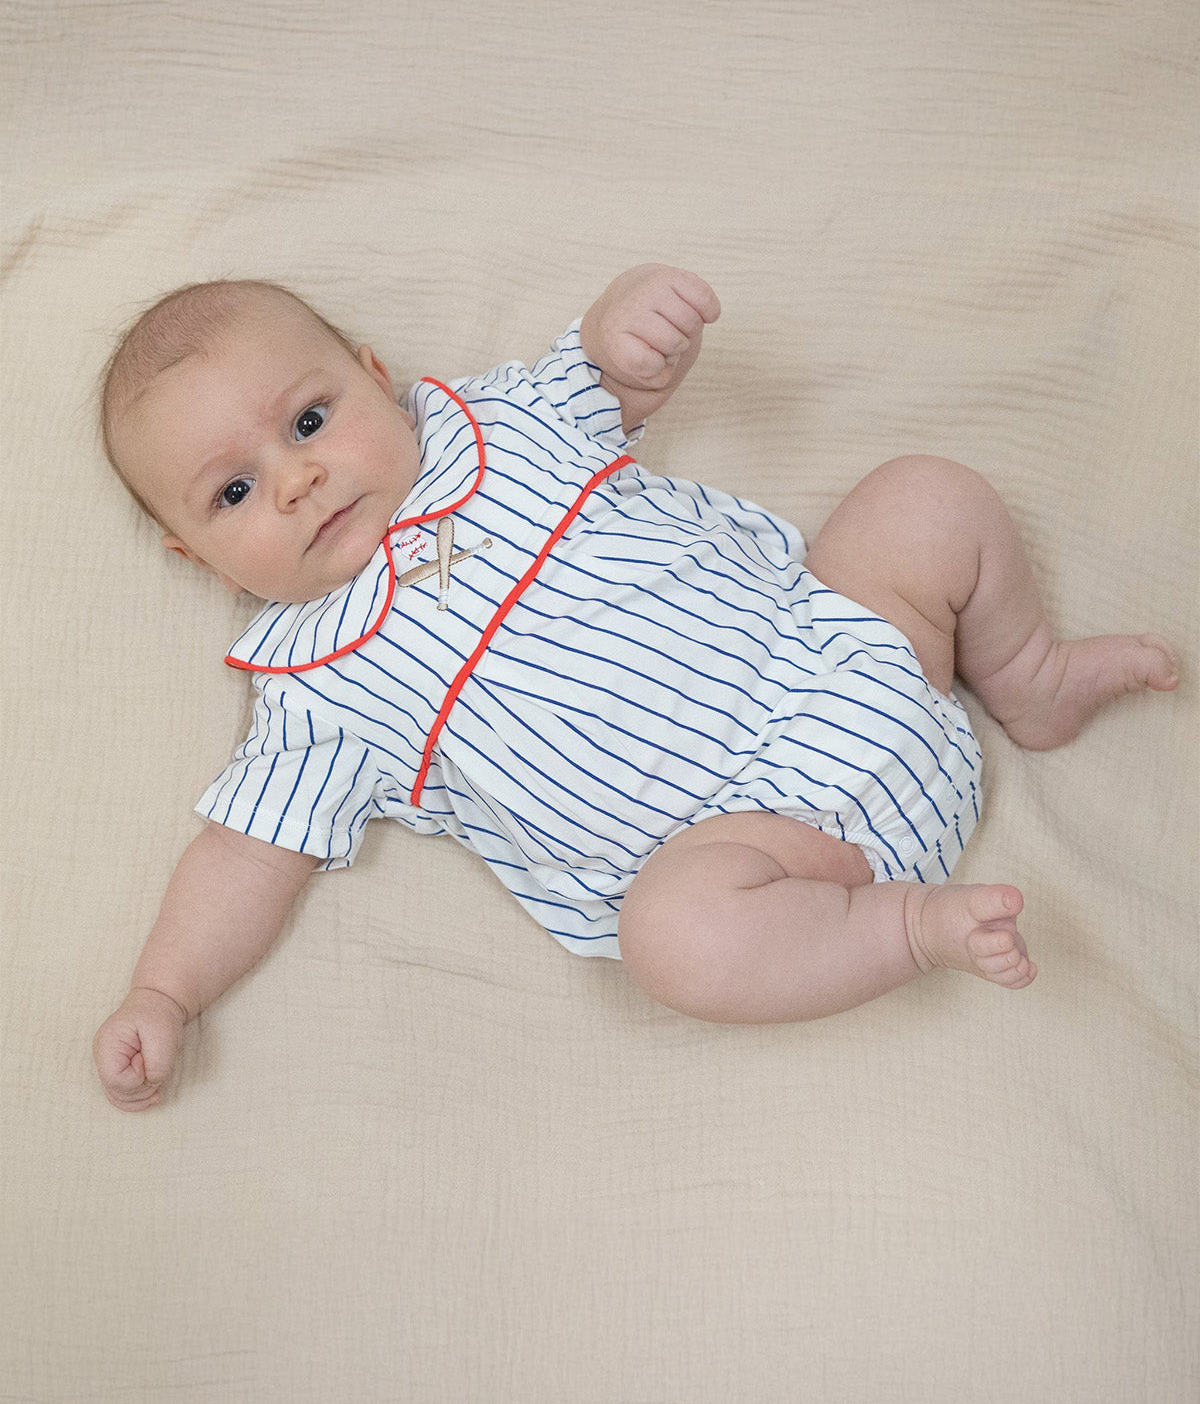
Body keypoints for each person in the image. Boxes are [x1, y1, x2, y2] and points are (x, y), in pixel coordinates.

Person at [90, 264, 1180, 1110]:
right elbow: (243, 852)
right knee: (673, 939)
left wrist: (628, 326)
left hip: (852, 651)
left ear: (378, 378)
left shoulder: (503, 428)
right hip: (772, 853)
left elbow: (611, 378)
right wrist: (166, 991)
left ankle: (1027, 677)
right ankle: (906, 931)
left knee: (923, 498)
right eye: (233, 492)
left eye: (310, 420)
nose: (297, 479)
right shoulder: (315, 686)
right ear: (200, 559)